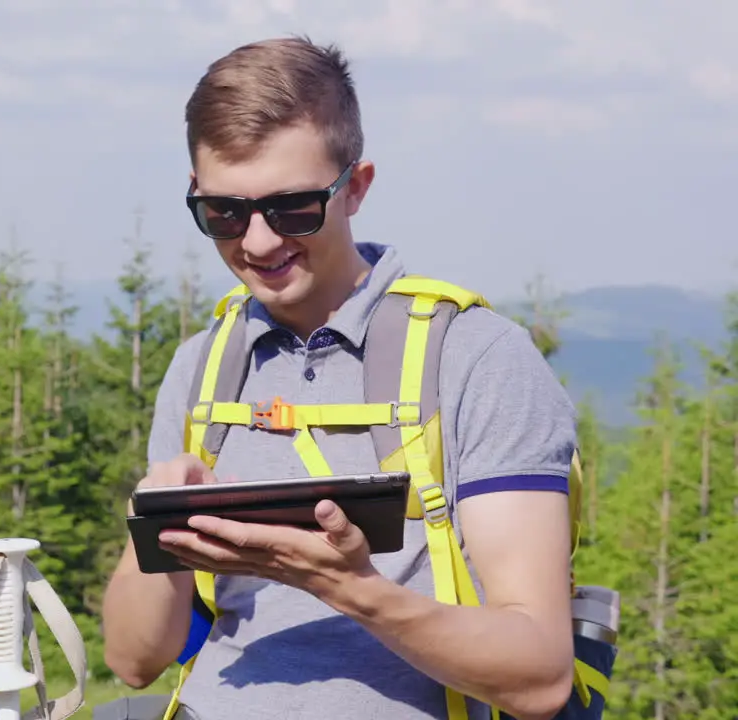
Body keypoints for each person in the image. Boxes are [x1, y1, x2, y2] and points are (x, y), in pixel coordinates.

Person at [99, 36, 578, 720]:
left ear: (356, 187)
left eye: (293, 208)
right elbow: (133, 660)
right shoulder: (202, 368)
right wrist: (155, 528)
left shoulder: (476, 357)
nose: (258, 243)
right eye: (224, 214)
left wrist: (351, 588)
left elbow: (539, 676)